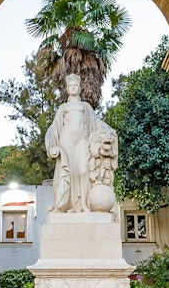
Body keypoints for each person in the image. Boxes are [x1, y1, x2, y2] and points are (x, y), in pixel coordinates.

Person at [46, 74, 118, 213]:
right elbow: (54, 127)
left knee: (83, 170)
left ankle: (84, 204)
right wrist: (51, 144)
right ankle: (71, 206)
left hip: (81, 140)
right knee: (69, 172)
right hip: (66, 140)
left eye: (75, 85)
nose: (73, 87)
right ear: (67, 88)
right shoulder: (63, 107)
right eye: (70, 85)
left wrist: (106, 129)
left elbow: (95, 122)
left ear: (79, 88)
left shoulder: (86, 106)